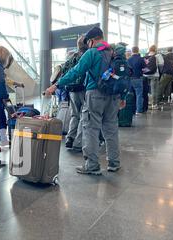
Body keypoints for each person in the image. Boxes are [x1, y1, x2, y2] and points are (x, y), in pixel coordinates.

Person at [46, 26, 125, 175]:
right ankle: (114, 163)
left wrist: (56, 85)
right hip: (114, 96)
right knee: (111, 129)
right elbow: (123, 76)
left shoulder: (92, 53)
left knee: (91, 129)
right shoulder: (115, 53)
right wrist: (123, 97)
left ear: (91, 41)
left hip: (95, 94)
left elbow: (76, 72)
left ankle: (92, 165)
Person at [58, 35, 88, 151]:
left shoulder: (72, 56)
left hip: (71, 90)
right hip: (83, 89)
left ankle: (70, 138)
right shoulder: (87, 56)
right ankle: (78, 142)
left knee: (75, 115)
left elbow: (64, 70)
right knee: (83, 115)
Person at [128, 46, 146, 114]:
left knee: (130, 95)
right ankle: (138, 110)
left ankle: (131, 110)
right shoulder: (141, 59)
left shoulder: (128, 59)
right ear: (138, 50)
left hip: (130, 79)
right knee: (139, 95)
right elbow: (145, 69)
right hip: (138, 78)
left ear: (132, 51)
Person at [144, 45, 162, 109]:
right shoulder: (157, 56)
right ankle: (154, 104)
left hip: (146, 75)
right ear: (155, 49)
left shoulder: (146, 56)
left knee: (147, 90)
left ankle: (147, 102)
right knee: (154, 90)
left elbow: (144, 66)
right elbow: (161, 64)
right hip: (154, 75)